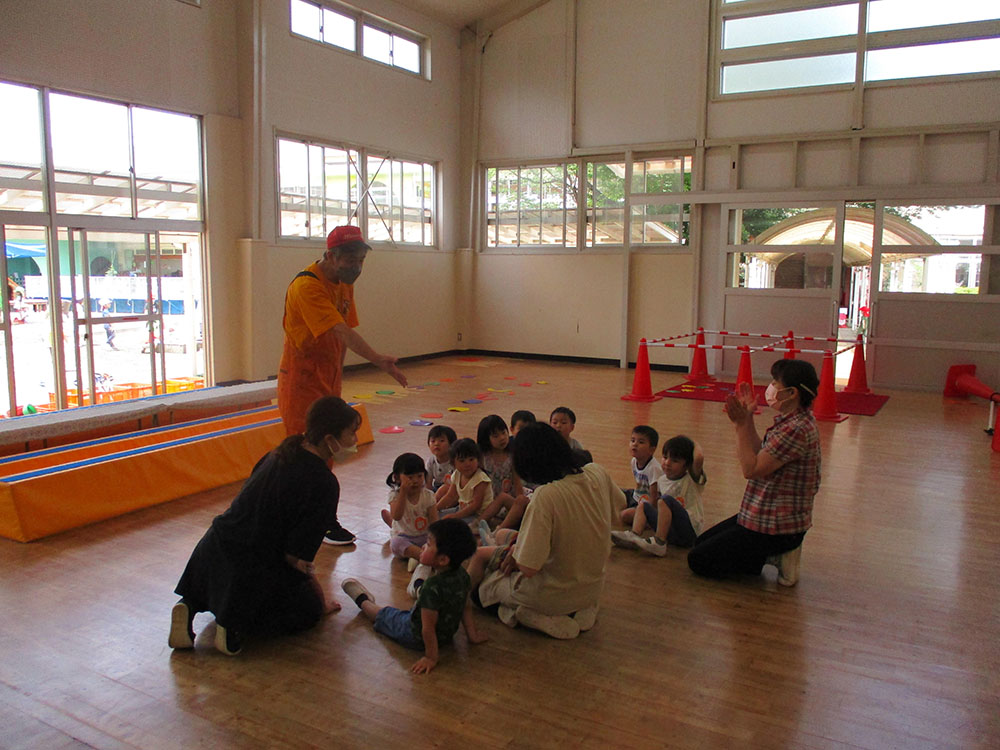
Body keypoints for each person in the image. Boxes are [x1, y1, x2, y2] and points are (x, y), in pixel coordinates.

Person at [170, 396, 361, 656]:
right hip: (251, 567)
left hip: (212, 548)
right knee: (305, 612)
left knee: (215, 583)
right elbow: (297, 557)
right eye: (352, 433)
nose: (355, 441)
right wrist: (319, 602)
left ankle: (188, 606)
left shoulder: (279, 452)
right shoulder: (324, 483)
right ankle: (231, 626)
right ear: (330, 439)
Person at [277, 224, 407, 545]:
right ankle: (306, 519)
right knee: (306, 453)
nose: (356, 267)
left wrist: (338, 376)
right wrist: (377, 359)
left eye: (361, 260)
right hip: (301, 382)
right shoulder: (307, 287)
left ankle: (320, 517)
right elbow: (339, 331)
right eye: (351, 260)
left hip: (327, 379)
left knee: (329, 450)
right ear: (330, 255)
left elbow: (344, 334)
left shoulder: (344, 285)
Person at [467, 423, 626, 639]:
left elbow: (529, 567)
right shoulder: (597, 471)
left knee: (480, 593)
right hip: (593, 586)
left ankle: (526, 615)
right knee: (506, 539)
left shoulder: (546, 495)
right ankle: (583, 608)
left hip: (553, 595)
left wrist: (514, 555)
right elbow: (620, 504)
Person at [688, 359, 821, 586]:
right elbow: (761, 452)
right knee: (701, 544)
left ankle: (778, 554)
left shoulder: (796, 429)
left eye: (775, 382)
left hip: (777, 527)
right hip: (761, 515)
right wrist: (748, 417)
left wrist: (740, 425)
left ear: (791, 393)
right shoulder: (792, 422)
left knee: (698, 560)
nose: (770, 387)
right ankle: (759, 557)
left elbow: (751, 469)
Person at [341, 519, 487, 674]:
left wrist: (431, 657)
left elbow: (427, 629)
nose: (423, 546)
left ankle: (363, 600)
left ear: (443, 560)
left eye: (429, 544)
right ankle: (420, 574)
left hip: (413, 635)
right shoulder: (463, 575)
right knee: (404, 612)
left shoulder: (432, 588)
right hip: (446, 635)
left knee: (384, 614)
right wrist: (472, 635)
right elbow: (466, 607)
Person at [613, 435, 706, 557]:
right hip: (671, 532)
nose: (667, 463)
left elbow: (699, 458)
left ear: (687, 465)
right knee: (644, 504)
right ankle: (634, 536)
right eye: (665, 457)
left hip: (689, 532)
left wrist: (690, 442)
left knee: (665, 500)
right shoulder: (661, 480)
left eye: (675, 460)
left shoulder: (692, 480)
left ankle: (659, 542)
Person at [380, 452, 439, 571]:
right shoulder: (395, 496)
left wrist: (435, 540)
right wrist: (402, 492)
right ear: (397, 478)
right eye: (410, 477)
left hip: (424, 536)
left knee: (440, 538)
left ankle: (418, 556)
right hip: (404, 537)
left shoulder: (428, 495)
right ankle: (424, 556)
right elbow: (397, 515)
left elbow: (434, 521)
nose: (415, 481)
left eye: (419, 476)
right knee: (396, 544)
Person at [476, 414, 529, 531]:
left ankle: (496, 529)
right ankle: (479, 526)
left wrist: (519, 501)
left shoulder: (512, 455)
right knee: (501, 500)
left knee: (519, 500)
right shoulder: (483, 457)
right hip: (490, 503)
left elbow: (517, 483)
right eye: (496, 436)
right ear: (486, 439)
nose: (502, 438)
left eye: (504, 433)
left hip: (509, 501)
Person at [618, 425, 664, 522]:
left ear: (652, 449)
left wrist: (649, 516)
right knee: (613, 491)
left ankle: (645, 522)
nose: (635, 444)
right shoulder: (634, 461)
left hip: (647, 504)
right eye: (633, 440)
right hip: (636, 496)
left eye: (641, 442)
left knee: (625, 515)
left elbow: (654, 497)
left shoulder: (654, 468)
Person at [425, 424, 457, 496]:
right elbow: (428, 484)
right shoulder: (431, 461)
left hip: (452, 490)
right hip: (436, 488)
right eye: (433, 441)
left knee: (444, 489)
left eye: (442, 441)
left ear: (452, 444)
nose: (436, 444)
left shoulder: (455, 462)